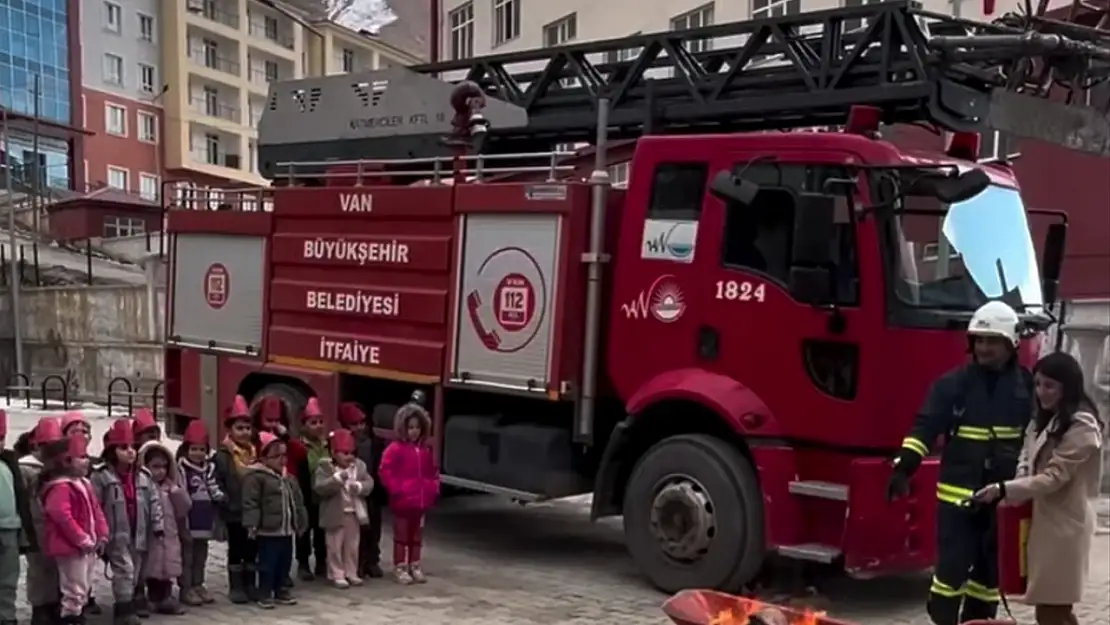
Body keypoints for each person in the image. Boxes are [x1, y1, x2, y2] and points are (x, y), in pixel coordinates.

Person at [887, 300, 1033, 625]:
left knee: (989, 576)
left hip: (1001, 501)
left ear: (1011, 344)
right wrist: (904, 467)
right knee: (950, 572)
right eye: (979, 340)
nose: (983, 348)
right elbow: (925, 428)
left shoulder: (1027, 387)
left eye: (992, 341)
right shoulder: (952, 385)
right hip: (958, 499)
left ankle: (979, 621)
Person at [972, 352, 1104, 625]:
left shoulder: (1082, 427)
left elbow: (1054, 477)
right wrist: (1018, 481)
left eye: (1049, 386)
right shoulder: (1042, 419)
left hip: (1063, 528)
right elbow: (1026, 457)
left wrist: (1005, 489)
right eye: (1038, 384)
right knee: (1050, 609)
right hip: (1038, 522)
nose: (1041, 392)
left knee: (1052, 609)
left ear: (1067, 387)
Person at [90, 419, 163, 625]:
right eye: (124, 448)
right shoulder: (101, 476)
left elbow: (154, 500)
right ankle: (123, 609)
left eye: (133, 447)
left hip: (139, 532)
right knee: (125, 570)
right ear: (112, 451)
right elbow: (94, 505)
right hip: (115, 534)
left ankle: (130, 601)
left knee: (136, 570)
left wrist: (157, 525)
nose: (130, 452)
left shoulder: (143, 475)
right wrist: (99, 533)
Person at [41, 434, 109, 625]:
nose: (87, 461)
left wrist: (102, 535)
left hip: (86, 546)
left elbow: (96, 511)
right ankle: (71, 618)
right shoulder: (61, 487)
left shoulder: (84, 484)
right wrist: (81, 538)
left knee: (84, 585)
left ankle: (75, 615)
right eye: (82, 457)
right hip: (70, 548)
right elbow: (61, 515)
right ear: (66, 461)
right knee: (74, 587)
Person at [242, 432, 308, 609]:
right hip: (268, 530)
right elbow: (251, 503)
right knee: (267, 563)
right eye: (276, 456)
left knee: (285, 561)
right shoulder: (257, 477)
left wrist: (301, 521)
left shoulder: (289, 478)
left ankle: (281, 589)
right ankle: (265, 592)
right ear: (264, 458)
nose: (282, 460)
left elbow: (298, 501)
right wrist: (252, 524)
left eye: (284, 455)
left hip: (286, 530)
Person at [379, 403, 440, 585]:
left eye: (417, 427)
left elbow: (433, 472)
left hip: (421, 502)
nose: (414, 431)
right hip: (403, 502)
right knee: (402, 536)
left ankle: (415, 564)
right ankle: (400, 565)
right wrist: (397, 490)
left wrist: (432, 489)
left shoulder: (425, 451)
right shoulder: (395, 449)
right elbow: (385, 471)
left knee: (416, 537)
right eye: (410, 427)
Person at [212, 395, 258, 604]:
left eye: (248, 428)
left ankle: (250, 583)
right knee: (236, 549)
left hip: (253, 510)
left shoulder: (255, 452)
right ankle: (236, 586)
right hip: (234, 511)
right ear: (229, 430)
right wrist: (226, 501)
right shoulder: (223, 455)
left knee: (252, 548)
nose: (245, 432)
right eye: (240, 428)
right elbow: (218, 480)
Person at [314, 428, 373, 588]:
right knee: (334, 546)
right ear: (334, 453)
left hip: (353, 513)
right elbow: (320, 488)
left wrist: (360, 487)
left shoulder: (359, 467)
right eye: (345, 453)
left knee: (352, 545)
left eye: (352, 453)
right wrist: (337, 480)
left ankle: (351, 572)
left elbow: (370, 483)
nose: (350, 457)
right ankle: (336, 573)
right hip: (334, 514)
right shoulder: (325, 468)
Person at [19, 418, 65, 625]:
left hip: (54, 528)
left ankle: (54, 603)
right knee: (38, 570)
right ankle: (40, 608)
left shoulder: (57, 468)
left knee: (56, 568)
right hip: (35, 528)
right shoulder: (26, 469)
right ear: (37, 446)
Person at [137, 440, 190, 615]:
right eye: (155, 466)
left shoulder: (171, 487)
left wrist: (176, 492)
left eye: (164, 467)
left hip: (169, 534)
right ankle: (148, 597)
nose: (160, 471)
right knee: (149, 567)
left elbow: (184, 508)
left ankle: (165, 597)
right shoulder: (142, 487)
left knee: (167, 568)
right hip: (149, 536)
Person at [176, 419, 224, 605]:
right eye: (194, 449)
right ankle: (185, 588)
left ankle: (198, 584)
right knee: (186, 556)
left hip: (205, 519)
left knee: (201, 555)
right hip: (189, 520)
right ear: (186, 449)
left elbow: (213, 489)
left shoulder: (209, 469)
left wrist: (220, 497)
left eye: (202, 449)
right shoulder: (181, 469)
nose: (198, 454)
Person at [339, 402, 386, 579]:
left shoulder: (374, 443)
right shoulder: (343, 445)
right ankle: (356, 563)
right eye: (354, 424)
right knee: (354, 531)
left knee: (373, 527)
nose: (359, 428)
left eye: (362, 423)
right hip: (351, 494)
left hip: (370, 493)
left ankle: (372, 560)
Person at [0, 410, 36, 625]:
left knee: (8, 580)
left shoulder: (10, 465)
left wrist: (24, 533)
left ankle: (6, 617)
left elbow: (21, 501)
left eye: (1, 438)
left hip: (10, 530)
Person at [289, 397, 328, 581]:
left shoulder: (328, 445)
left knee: (322, 532)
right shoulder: (299, 446)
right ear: (304, 425)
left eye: (321, 422)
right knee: (304, 531)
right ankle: (303, 564)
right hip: (306, 494)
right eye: (313, 423)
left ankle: (322, 562)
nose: (318, 426)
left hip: (324, 496)